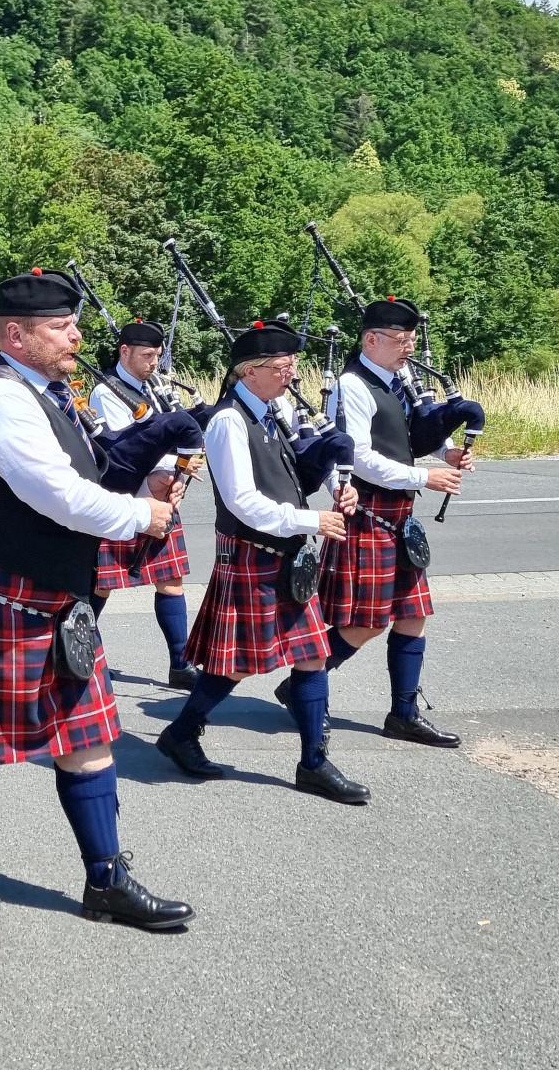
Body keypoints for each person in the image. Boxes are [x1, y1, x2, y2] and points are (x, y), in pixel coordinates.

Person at [0, 269, 195, 930]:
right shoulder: (0, 399)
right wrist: (139, 516)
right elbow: (58, 494)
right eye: (60, 327)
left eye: (74, 324)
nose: (76, 336)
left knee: (87, 737)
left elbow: (93, 466)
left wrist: (154, 446)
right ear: (15, 335)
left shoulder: (49, 394)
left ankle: (106, 879)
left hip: (53, 601)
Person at [152, 319, 370, 803]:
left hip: (286, 554)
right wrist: (311, 521)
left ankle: (314, 763)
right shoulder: (228, 421)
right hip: (252, 554)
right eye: (281, 367)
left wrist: (339, 485)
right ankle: (181, 733)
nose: (291, 374)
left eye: (292, 365)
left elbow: (297, 465)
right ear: (248, 371)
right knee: (235, 665)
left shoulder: (276, 410)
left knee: (312, 655)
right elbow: (242, 501)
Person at [318, 297, 472, 748]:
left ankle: (403, 714)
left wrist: (447, 453)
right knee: (367, 622)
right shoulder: (351, 386)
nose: (410, 348)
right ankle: (305, 685)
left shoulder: (399, 379)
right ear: (372, 339)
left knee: (413, 614)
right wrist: (425, 476)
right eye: (401, 340)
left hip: (399, 516)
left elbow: (411, 432)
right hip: (367, 512)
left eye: (411, 340)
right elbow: (359, 458)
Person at [86, 319, 200, 689]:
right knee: (102, 584)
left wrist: (181, 471)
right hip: (122, 497)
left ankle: (181, 664)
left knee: (170, 579)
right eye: (148, 355)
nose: (154, 363)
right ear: (125, 351)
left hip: (159, 495)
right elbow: (122, 450)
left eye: (158, 356)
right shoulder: (107, 391)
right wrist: (175, 462)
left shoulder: (154, 387)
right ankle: (80, 652)